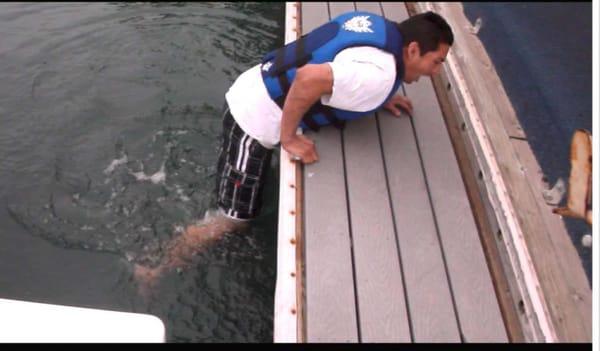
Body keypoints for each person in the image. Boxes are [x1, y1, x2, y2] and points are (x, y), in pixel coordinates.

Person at [133, 10, 454, 292]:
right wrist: (288, 137)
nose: (436, 71)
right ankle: (153, 268)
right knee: (232, 219)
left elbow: (344, 64)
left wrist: (381, 98)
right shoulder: (378, 75)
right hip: (251, 124)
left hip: (255, 86)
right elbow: (309, 77)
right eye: (436, 61)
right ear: (412, 49)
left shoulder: (382, 31)